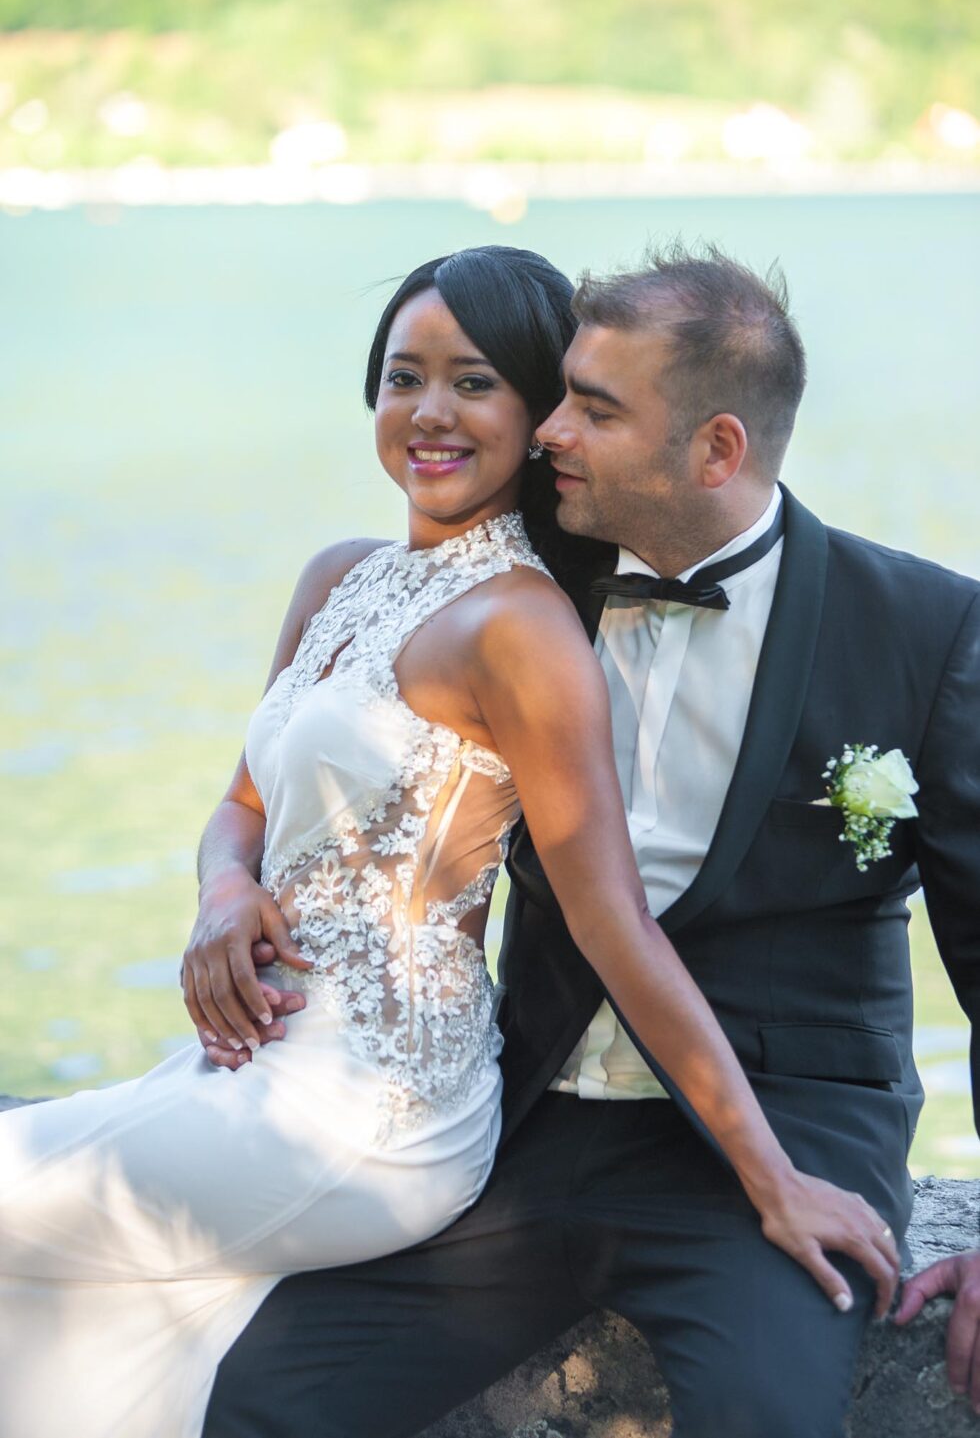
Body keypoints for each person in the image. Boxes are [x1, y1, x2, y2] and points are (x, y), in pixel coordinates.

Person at [0, 245, 895, 1438]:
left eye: (473, 382)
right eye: (400, 376)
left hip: (368, 1111)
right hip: (244, 1070)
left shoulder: (521, 629)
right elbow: (243, 805)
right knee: (69, 1330)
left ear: (536, 417)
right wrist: (221, 892)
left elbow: (610, 921)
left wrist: (770, 1176)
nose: (428, 412)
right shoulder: (339, 577)